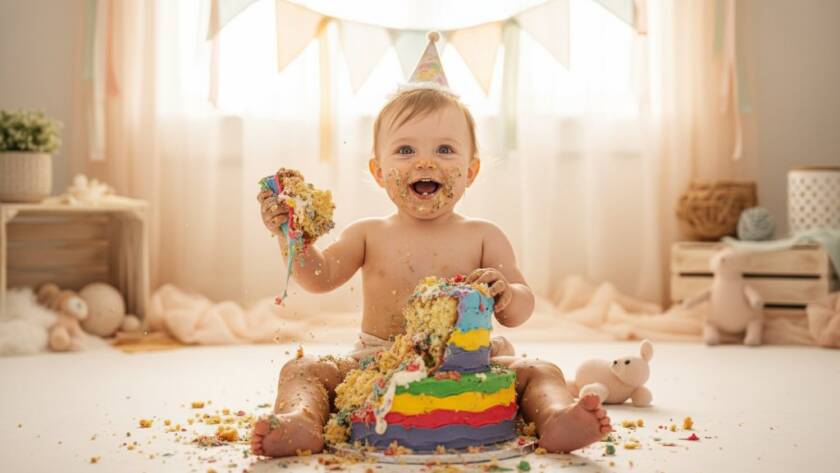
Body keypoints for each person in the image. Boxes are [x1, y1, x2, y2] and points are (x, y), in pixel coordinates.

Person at [252, 33, 611, 458]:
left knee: (540, 370)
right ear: (379, 171)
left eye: (445, 149)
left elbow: (521, 309)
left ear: (471, 171)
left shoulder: (484, 235)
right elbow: (319, 278)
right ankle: (301, 420)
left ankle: (555, 417)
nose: (426, 162)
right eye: (405, 150)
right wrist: (291, 236)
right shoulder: (368, 233)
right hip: (377, 362)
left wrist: (506, 293)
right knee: (303, 369)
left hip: (470, 366)